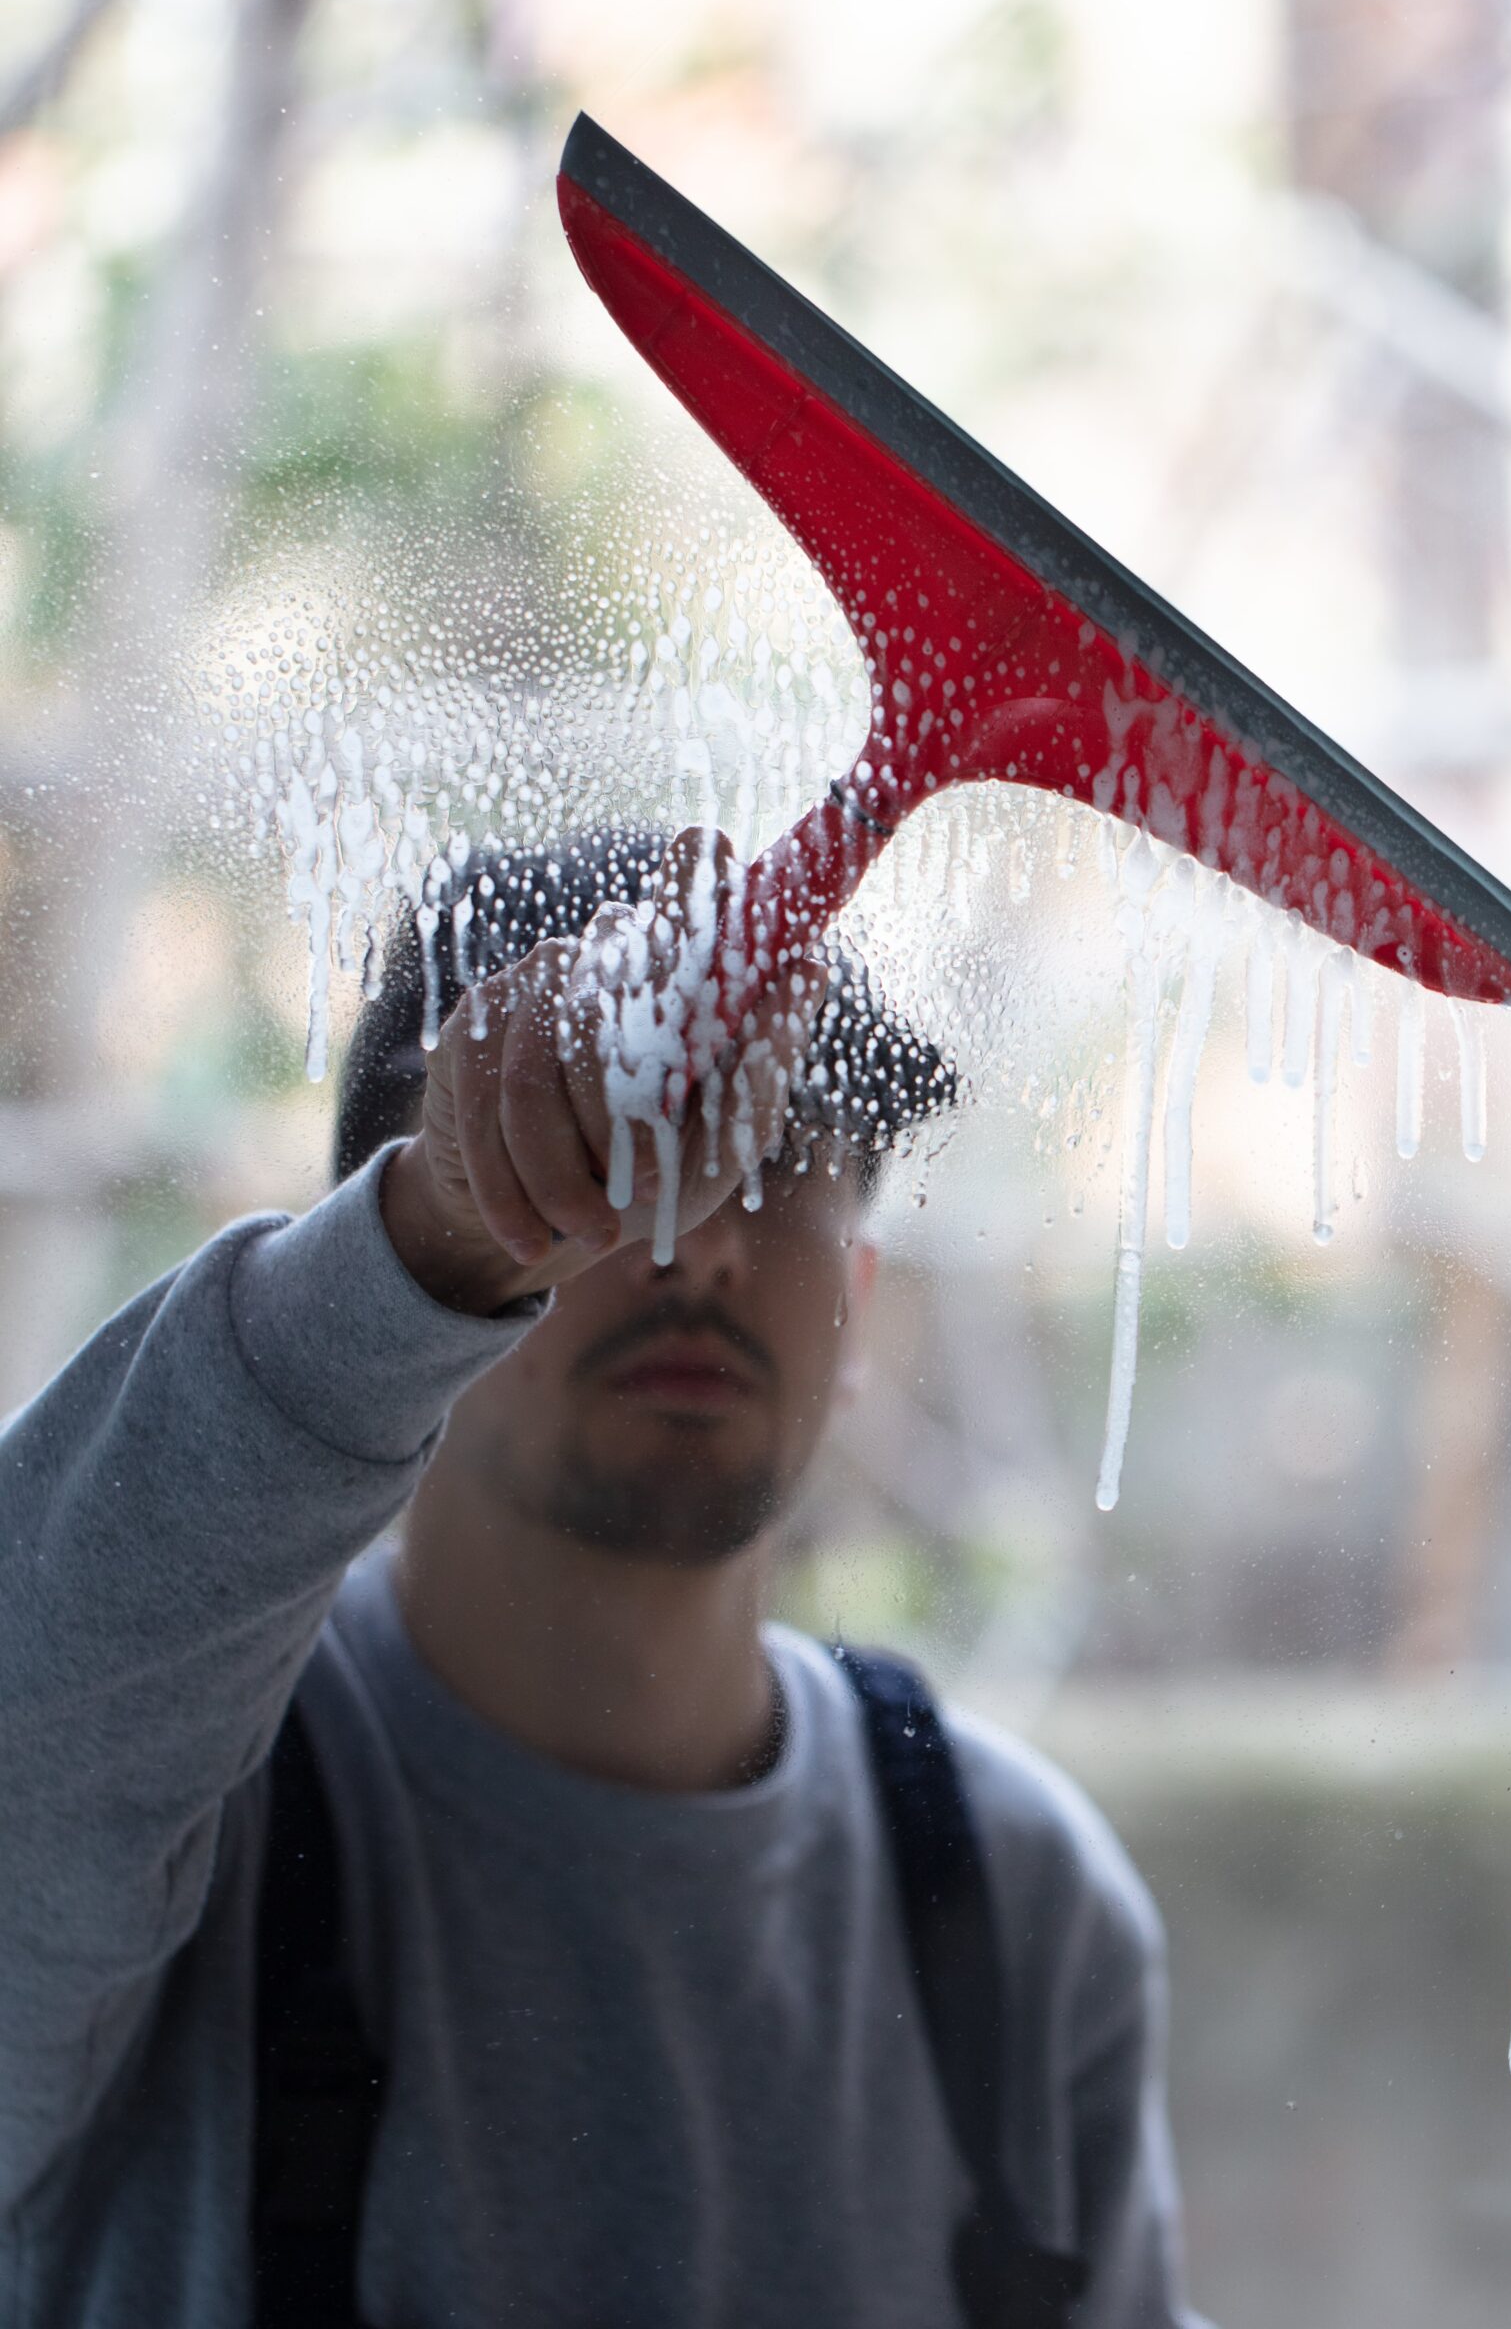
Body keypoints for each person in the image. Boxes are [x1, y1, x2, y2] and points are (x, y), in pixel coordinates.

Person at [0, 825, 1204, 2329]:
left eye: (779, 1161)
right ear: (391, 1263)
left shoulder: (1018, 1900)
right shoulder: (176, 1830)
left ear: (861, 1300)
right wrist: (443, 1227)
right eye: (613, 1151)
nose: (694, 1242)